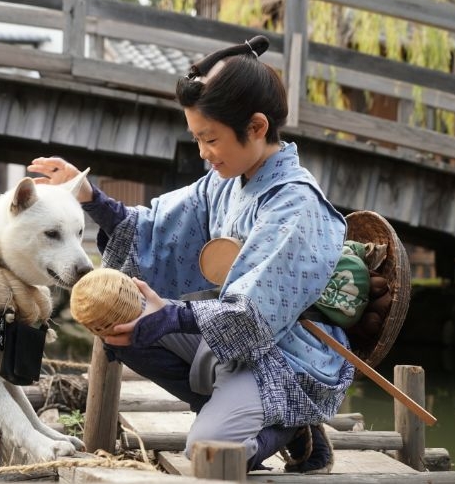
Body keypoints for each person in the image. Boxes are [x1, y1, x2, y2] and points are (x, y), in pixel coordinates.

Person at [28, 35, 354, 474]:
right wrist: (89, 197)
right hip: (233, 339)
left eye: (210, 138)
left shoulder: (295, 205)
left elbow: (253, 316)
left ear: (256, 128)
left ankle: (294, 424)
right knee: (120, 321)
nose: (203, 152)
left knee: (205, 455)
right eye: (197, 138)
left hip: (286, 357)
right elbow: (153, 227)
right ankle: (232, 407)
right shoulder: (224, 180)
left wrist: (170, 316)